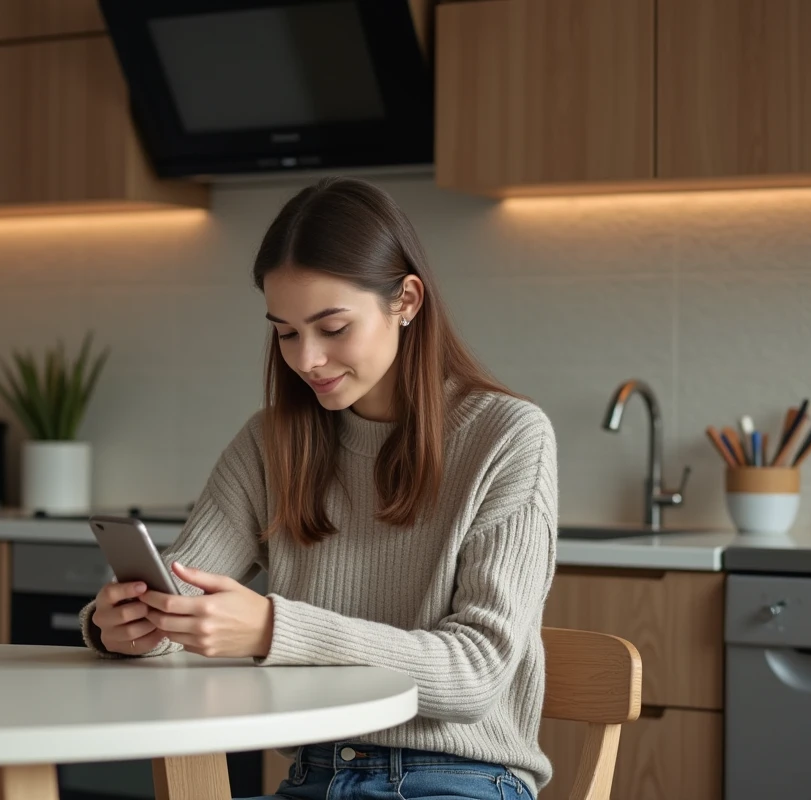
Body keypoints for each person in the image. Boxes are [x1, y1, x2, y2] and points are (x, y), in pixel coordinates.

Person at [80, 177, 558, 800]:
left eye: (332, 328)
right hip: (313, 777)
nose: (305, 359)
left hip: (458, 781)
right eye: (285, 332)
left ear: (406, 300)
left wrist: (273, 630)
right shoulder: (269, 443)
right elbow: (182, 585)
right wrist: (124, 627)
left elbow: (476, 674)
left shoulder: (507, 436)